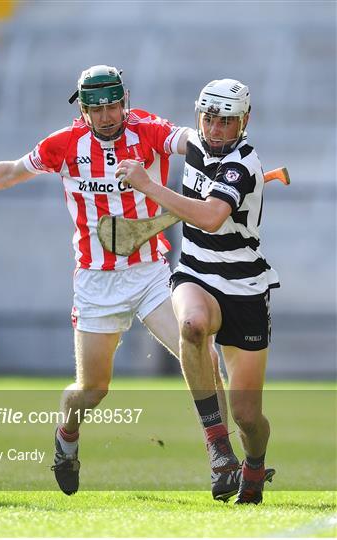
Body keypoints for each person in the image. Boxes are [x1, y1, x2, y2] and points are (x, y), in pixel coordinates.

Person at [0, 66, 242, 500]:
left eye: (114, 106)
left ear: (125, 101)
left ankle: (222, 456)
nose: (107, 117)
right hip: (95, 282)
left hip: (151, 273)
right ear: (82, 109)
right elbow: (10, 172)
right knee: (92, 389)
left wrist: (221, 149)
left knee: (197, 342)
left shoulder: (147, 130)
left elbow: (185, 139)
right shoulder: (65, 145)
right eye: (97, 109)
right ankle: (66, 435)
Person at [116, 78, 277, 504]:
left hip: (244, 288)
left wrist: (148, 186)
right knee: (191, 325)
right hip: (196, 273)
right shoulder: (193, 143)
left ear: (244, 121)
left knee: (248, 416)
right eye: (209, 118)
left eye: (227, 121)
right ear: (197, 115)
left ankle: (255, 463)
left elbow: (209, 217)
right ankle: (218, 447)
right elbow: (147, 125)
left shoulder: (243, 163)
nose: (217, 129)